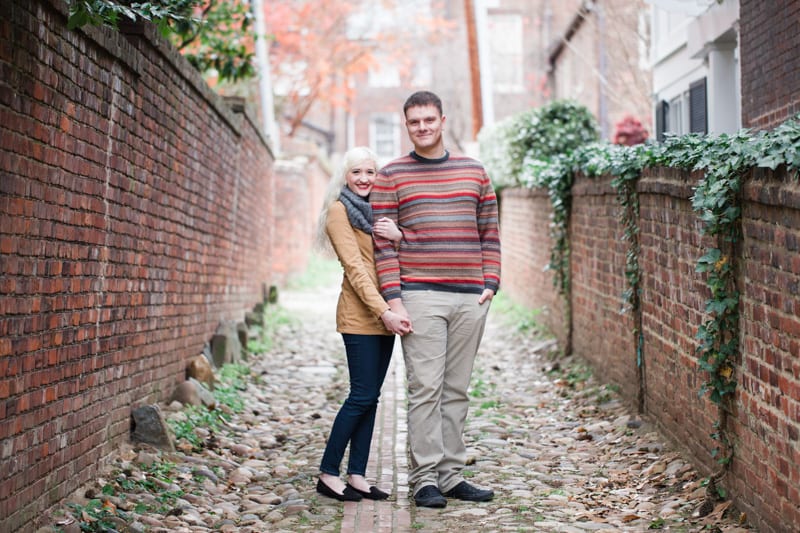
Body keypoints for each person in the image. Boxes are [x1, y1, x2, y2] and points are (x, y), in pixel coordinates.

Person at [371, 91, 501, 508]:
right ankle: (424, 479)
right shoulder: (390, 176)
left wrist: (491, 282)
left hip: (470, 297)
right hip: (420, 295)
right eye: (414, 122)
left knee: (457, 389)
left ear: (442, 120)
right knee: (426, 387)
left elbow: (490, 233)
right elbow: (383, 248)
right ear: (406, 125)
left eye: (429, 120)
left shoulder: (475, 172)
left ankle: (451, 476)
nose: (422, 128)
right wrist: (395, 300)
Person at [315, 146, 412, 502]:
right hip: (360, 317)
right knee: (360, 395)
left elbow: (394, 256)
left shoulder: (378, 212)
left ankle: (356, 473)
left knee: (371, 397)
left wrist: (399, 236)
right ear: (345, 176)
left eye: (370, 172)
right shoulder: (339, 212)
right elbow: (355, 269)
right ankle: (328, 472)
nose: (364, 179)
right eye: (356, 172)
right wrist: (384, 310)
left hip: (382, 316)